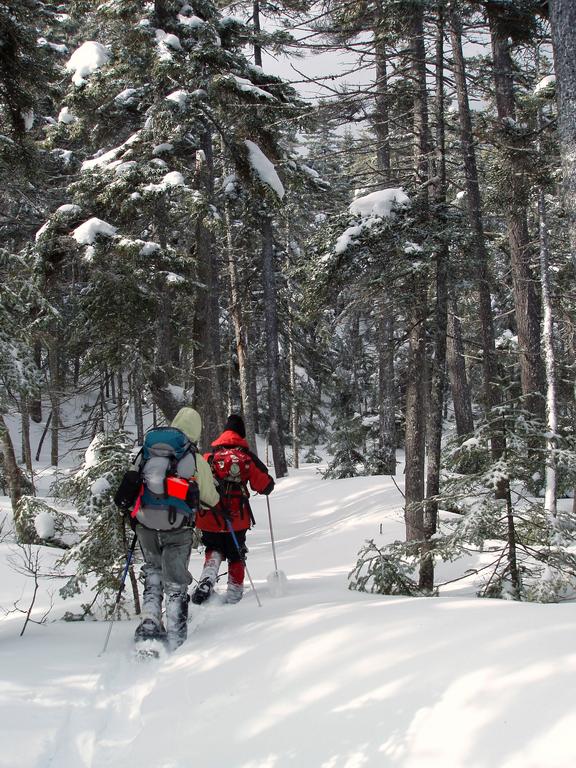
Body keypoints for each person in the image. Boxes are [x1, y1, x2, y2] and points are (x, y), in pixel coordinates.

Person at [134, 407, 220, 650]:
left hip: (145, 524)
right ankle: (176, 634)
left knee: (152, 571)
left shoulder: (148, 452)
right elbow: (211, 499)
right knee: (175, 580)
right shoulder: (194, 458)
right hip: (177, 528)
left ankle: (150, 620)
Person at [192, 413, 274, 605]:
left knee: (213, 547)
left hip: (210, 516)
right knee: (236, 553)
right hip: (237, 518)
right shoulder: (246, 458)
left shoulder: (209, 457)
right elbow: (264, 486)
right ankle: (235, 592)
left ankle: (209, 575)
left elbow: (195, 479)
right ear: (241, 435)